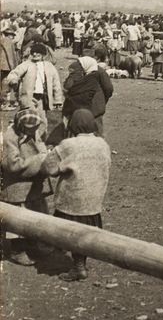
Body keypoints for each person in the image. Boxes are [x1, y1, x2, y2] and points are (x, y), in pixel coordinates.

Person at [41, 109, 111, 282]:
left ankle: (78, 267)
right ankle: (79, 263)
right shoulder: (103, 144)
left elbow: (48, 168)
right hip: (94, 196)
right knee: (85, 232)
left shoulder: (68, 145)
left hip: (72, 198)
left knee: (71, 232)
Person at [1, 108, 49, 266]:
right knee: (18, 220)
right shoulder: (10, 137)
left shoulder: (33, 130)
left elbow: (40, 145)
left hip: (32, 185)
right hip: (17, 185)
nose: (34, 131)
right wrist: (39, 161)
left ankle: (33, 245)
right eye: (31, 129)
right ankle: (17, 250)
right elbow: (12, 165)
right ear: (21, 126)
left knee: (35, 215)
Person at [5, 43, 64, 117]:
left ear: (43, 54)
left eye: (38, 52)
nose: (35, 54)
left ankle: (42, 128)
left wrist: (57, 99)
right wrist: (13, 80)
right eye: (33, 52)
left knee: (42, 120)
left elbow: (56, 83)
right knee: (30, 118)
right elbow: (14, 73)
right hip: (29, 97)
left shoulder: (49, 66)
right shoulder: (26, 64)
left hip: (43, 98)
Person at [62, 56, 114, 136]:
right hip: (91, 108)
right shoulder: (80, 72)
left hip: (89, 108)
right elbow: (108, 89)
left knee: (90, 130)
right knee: (94, 131)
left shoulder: (97, 72)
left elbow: (108, 89)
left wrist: (103, 100)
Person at [1, 26, 19, 108]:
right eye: (12, 35)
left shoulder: (2, 40)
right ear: (9, 35)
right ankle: (4, 102)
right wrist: (13, 68)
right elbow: (10, 55)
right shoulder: (8, 42)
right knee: (5, 83)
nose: (13, 37)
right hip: (6, 66)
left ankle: (3, 102)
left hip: (3, 65)